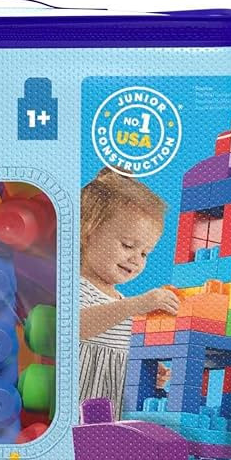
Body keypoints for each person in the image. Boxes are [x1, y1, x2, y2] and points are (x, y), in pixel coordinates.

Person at [79, 168, 181, 418]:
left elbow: (122, 351)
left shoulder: (121, 301)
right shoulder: (76, 286)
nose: (136, 259)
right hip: (80, 401)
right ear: (88, 231)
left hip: (114, 408)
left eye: (145, 253)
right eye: (128, 245)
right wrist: (137, 305)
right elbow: (74, 327)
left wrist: (148, 371)